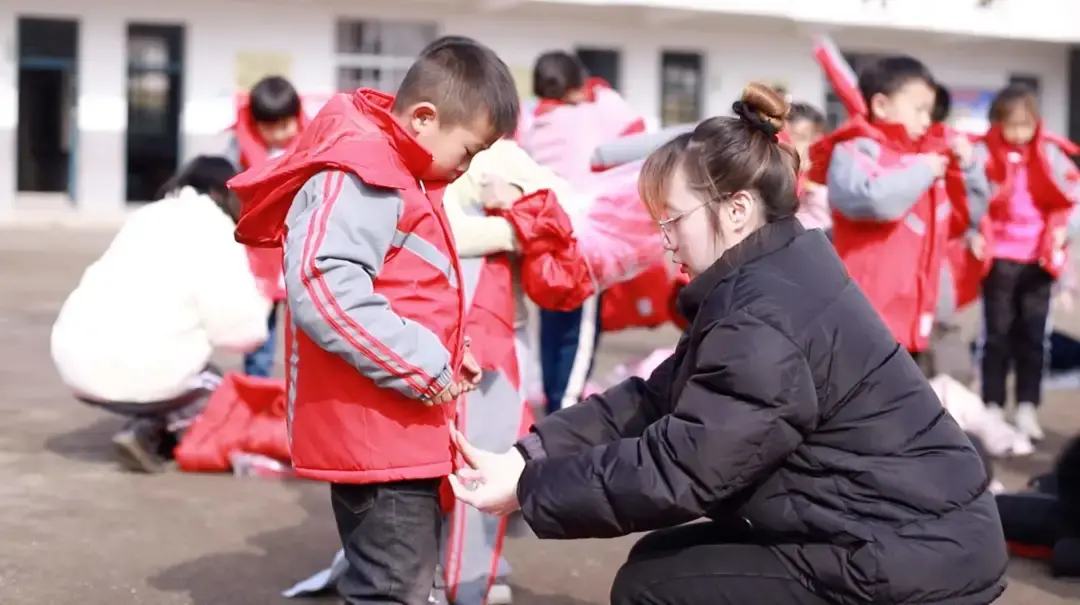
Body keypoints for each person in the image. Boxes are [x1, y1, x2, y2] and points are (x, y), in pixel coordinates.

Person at [448, 83, 1008, 605]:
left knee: (657, 585)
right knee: (663, 562)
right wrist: (529, 455)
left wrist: (531, 488)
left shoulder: (765, 317)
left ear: (736, 210)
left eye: (673, 221)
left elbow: (683, 469)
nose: (666, 242)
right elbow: (653, 400)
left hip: (907, 554)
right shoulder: (775, 272)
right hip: (900, 531)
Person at [226, 36, 519, 605]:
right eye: (470, 150)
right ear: (424, 118)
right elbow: (325, 289)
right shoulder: (362, 172)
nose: (468, 168)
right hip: (379, 441)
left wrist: (446, 354)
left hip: (398, 428)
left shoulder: (398, 167)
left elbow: (398, 285)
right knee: (391, 589)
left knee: (403, 580)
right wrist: (428, 363)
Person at [51, 156, 271, 473]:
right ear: (219, 193)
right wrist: (263, 296)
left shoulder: (149, 216)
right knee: (217, 387)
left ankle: (148, 419)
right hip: (139, 369)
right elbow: (243, 333)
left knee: (165, 352)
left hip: (73, 362)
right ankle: (149, 431)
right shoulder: (217, 233)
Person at [812, 55, 989, 370]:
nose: (926, 120)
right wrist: (922, 172)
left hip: (915, 326)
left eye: (930, 111)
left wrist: (970, 168)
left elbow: (965, 218)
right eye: (919, 109)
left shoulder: (927, 161)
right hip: (863, 323)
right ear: (881, 105)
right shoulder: (856, 150)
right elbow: (871, 200)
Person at [973, 83, 1080, 440]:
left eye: (1026, 125)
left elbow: (1072, 198)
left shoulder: (1050, 154)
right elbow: (969, 200)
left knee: (1034, 338)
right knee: (996, 335)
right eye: (1012, 125)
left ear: (1037, 122)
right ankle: (991, 404)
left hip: (1038, 261)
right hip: (1000, 258)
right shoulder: (983, 154)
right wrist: (974, 232)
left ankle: (1027, 407)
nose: (1019, 133)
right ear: (998, 123)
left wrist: (1066, 231)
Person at [226, 75, 306, 379]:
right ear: (256, 124)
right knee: (260, 333)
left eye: (286, 125)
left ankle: (298, 395)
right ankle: (256, 389)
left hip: (298, 254)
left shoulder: (314, 142)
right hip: (259, 259)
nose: (279, 134)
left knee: (306, 333)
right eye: (270, 127)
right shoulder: (239, 150)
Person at [786, 101, 830, 233]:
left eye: (801, 138)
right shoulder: (776, 178)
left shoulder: (829, 183)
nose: (792, 144)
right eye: (795, 137)